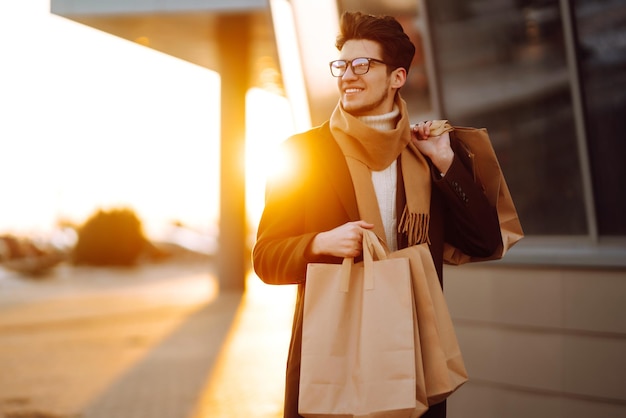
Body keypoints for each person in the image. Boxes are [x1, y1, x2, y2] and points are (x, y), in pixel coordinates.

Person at [253, 11, 503, 418]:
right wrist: (320, 243)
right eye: (342, 65)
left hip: (412, 355)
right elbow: (265, 258)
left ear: (397, 77)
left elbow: (484, 241)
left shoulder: (426, 156)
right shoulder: (301, 154)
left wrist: (446, 164)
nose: (347, 76)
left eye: (362, 65)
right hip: (333, 355)